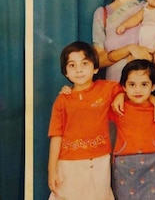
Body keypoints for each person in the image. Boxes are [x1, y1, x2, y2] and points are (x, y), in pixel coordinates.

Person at [48, 41, 122, 200]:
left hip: (100, 160)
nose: (79, 69)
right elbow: (56, 136)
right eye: (72, 65)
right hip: (69, 163)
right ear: (65, 72)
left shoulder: (106, 88)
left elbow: (128, 90)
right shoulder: (63, 100)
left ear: (95, 68)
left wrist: (120, 96)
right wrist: (52, 170)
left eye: (84, 63)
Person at [92, 0, 155, 81]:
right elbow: (98, 61)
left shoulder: (150, 9)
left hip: (144, 89)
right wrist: (130, 49)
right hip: (113, 90)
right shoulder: (101, 13)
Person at [110, 59, 155, 200]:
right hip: (124, 164)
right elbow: (101, 91)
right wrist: (120, 95)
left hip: (153, 162)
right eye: (132, 84)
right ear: (124, 86)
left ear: (153, 87)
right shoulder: (118, 106)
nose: (137, 90)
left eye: (144, 84)